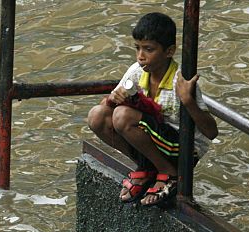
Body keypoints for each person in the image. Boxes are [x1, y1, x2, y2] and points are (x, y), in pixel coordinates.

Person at [87, 12, 218, 207]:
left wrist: (188, 100)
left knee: (123, 116)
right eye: (137, 48)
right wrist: (112, 99)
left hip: (182, 150)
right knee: (97, 115)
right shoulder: (136, 71)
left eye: (148, 49)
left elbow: (211, 132)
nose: (141, 56)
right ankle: (148, 168)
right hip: (154, 141)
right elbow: (106, 109)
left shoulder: (179, 80)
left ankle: (170, 174)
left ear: (169, 51)